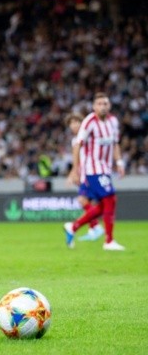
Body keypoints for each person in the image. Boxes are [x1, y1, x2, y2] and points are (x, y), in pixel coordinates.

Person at [64, 93, 126, 251]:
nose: (103, 106)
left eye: (105, 103)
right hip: (92, 170)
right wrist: (74, 171)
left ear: (109, 105)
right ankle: (109, 241)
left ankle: (74, 226)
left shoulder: (113, 121)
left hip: (105, 169)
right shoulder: (89, 121)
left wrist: (119, 162)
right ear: (93, 106)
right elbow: (78, 144)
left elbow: (115, 143)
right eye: (99, 104)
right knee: (110, 198)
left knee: (101, 205)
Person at [64, 113, 103, 242]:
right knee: (90, 202)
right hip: (84, 172)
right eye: (71, 123)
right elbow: (77, 158)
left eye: (77, 122)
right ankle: (93, 229)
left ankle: (95, 227)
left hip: (89, 172)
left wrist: (74, 173)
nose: (74, 125)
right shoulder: (75, 140)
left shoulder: (86, 137)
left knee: (82, 200)